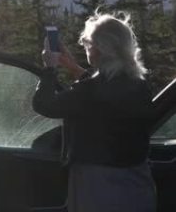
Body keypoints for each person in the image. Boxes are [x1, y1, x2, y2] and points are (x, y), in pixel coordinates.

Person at [32, 12, 156, 212]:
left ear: (99, 49)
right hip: (137, 184)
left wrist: (50, 68)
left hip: (97, 187)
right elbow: (104, 92)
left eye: (88, 43)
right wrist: (75, 69)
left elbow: (43, 104)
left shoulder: (90, 92)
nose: (86, 47)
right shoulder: (140, 86)